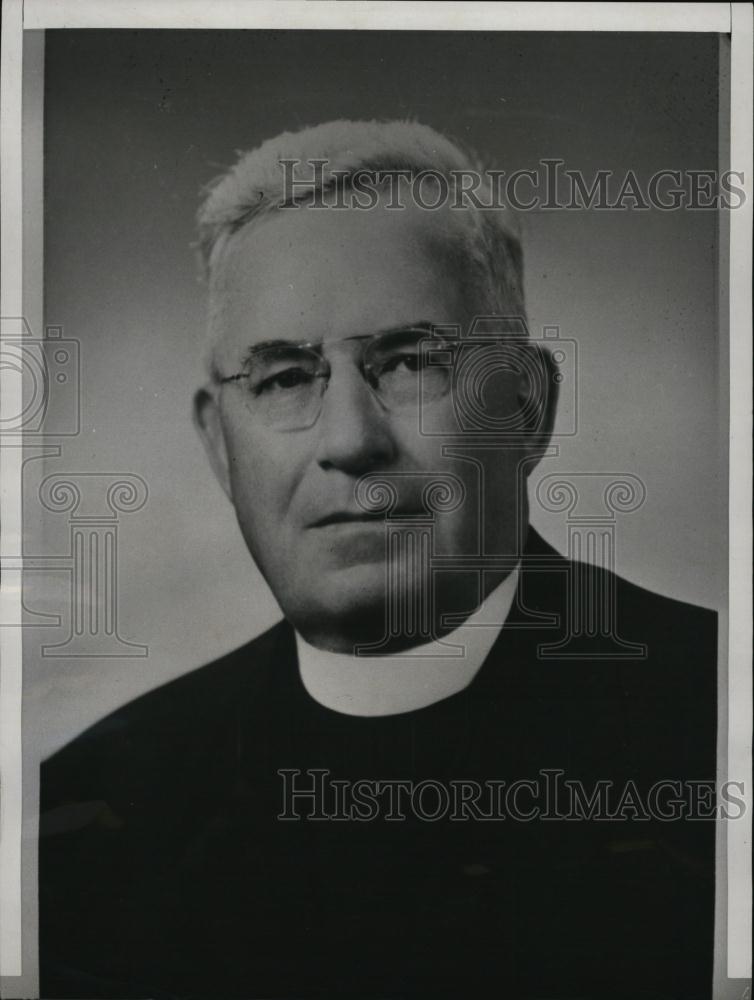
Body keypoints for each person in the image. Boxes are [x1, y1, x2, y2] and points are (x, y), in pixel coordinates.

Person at [39, 120, 717, 1000]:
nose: (351, 442)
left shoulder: (721, 725)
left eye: (410, 362)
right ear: (219, 445)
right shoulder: (93, 812)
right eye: (284, 378)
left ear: (525, 406)